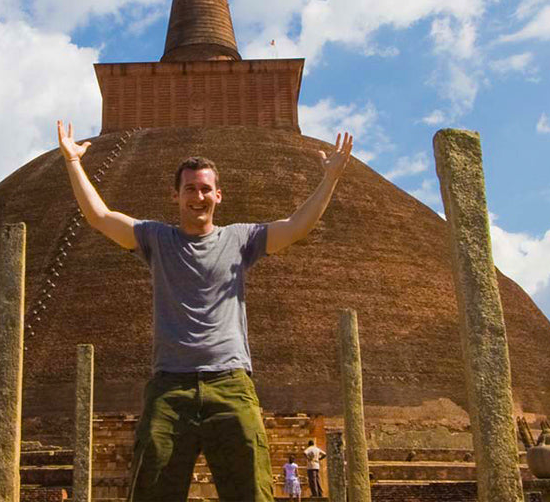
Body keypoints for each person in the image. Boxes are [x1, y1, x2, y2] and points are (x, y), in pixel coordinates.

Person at [56, 120, 355, 502]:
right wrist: (72, 162)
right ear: (177, 196)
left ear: (218, 195)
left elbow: (296, 226)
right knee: (151, 491)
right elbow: (100, 217)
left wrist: (331, 177)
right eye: (190, 189)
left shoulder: (241, 239)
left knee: (253, 491)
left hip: (231, 385)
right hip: (170, 388)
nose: (198, 196)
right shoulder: (156, 239)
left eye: (205, 189)